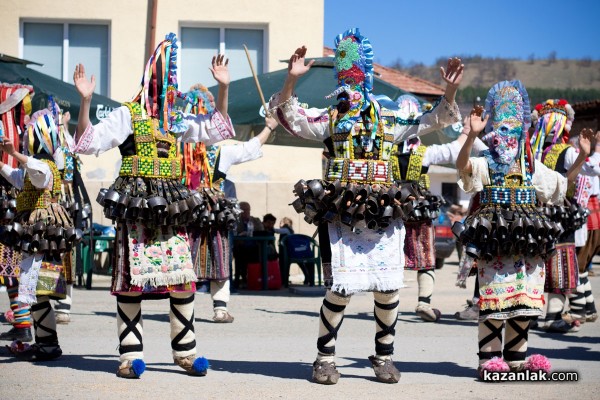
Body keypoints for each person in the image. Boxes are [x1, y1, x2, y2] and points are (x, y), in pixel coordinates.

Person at [268, 28, 462, 384]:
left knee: (387, 289)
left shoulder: (389, 121)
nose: (351, 94)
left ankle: (384, 355)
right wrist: (291, 81)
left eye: (356, 85)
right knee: (340, 288)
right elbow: (292, 117)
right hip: (342, 212)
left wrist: (449, 89)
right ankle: (324, 357)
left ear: (367, 84)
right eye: (346, 87)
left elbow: (432, 119)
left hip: (383, 214)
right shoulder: (330, 119)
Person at [72, 33, 234, 378]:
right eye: (163, 79)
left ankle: (185, 352)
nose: (167, 87)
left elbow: (216, 130)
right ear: (150, 80)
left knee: (182, 278)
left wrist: (222, 89)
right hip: (134, 206)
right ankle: (130, 356)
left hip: (171, 206)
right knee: (131, 281)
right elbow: (87, 143)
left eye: (170, 80)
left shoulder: (176, 120)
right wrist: (85, 102)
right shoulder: (126, 114)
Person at [455, 80, 592, 378]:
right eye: (502, 127)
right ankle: (488, 360)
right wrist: (471, 137)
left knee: (524, 299)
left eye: (513, 128)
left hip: (528, 240)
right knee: (493, 299)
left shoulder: (531, 166)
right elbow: (463, 167)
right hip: (496, 239)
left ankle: (516, 360)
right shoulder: (485, 162)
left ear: (522, 131)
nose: (507, 134)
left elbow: (562, 186)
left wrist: (581, 156)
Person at [183, 84, 276, 322]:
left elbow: (249, 149)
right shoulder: (220, 153)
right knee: (218, 257)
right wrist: (269, 127)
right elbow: (250, 148)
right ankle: (219, 308)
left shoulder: (179, 151)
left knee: (192, 258)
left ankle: (191, 309)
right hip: (212, 214)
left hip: (190, 212)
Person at [392, 96, 487, 322]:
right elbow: (454, 150)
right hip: (417, 208)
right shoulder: (424, 153)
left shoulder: (385, 153)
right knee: (425, 256)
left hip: (390, 210)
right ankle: (424, 302)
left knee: (391, 258)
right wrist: (467, 132)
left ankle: (389, 304)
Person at [1, 104, 82, 361]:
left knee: (40, 292)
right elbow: (19, 177)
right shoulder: (35, 168)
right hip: (38, 237)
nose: (24, 138)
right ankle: (45, 343)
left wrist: (14, 153)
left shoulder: (45, 166)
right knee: (36, 293)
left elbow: (37, 173)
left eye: (28, 136)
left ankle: (48, 345)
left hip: (43, 237)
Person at [528, 99, 600, 333]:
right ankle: (552, 316)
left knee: (537, 265)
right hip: (558, 218)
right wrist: (587, 155)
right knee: (559, 266)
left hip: (535, 216)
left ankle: (534, 315)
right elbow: (591, 170)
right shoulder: (565, 152)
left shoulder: (532, 151)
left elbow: (589, 170)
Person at [0, 82, 35, 343]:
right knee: (11, 265)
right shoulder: (24, 133)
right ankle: (24, 322)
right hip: (14, 204)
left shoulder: (16, 134)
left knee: (10, 264)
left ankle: (25, 324)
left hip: (9, 206)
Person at [233, 201, 264, 289]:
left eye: (247, 210)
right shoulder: (236, 221)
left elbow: (261, 231)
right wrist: (240, 234)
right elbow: (234, 233)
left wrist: (252, 233)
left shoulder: (255, 220)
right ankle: (241, 280)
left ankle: (254, 280)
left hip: (254, 247)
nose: (246, 212)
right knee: (240, 255)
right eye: (243, 210)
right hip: (240, 247)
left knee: (256, 253)